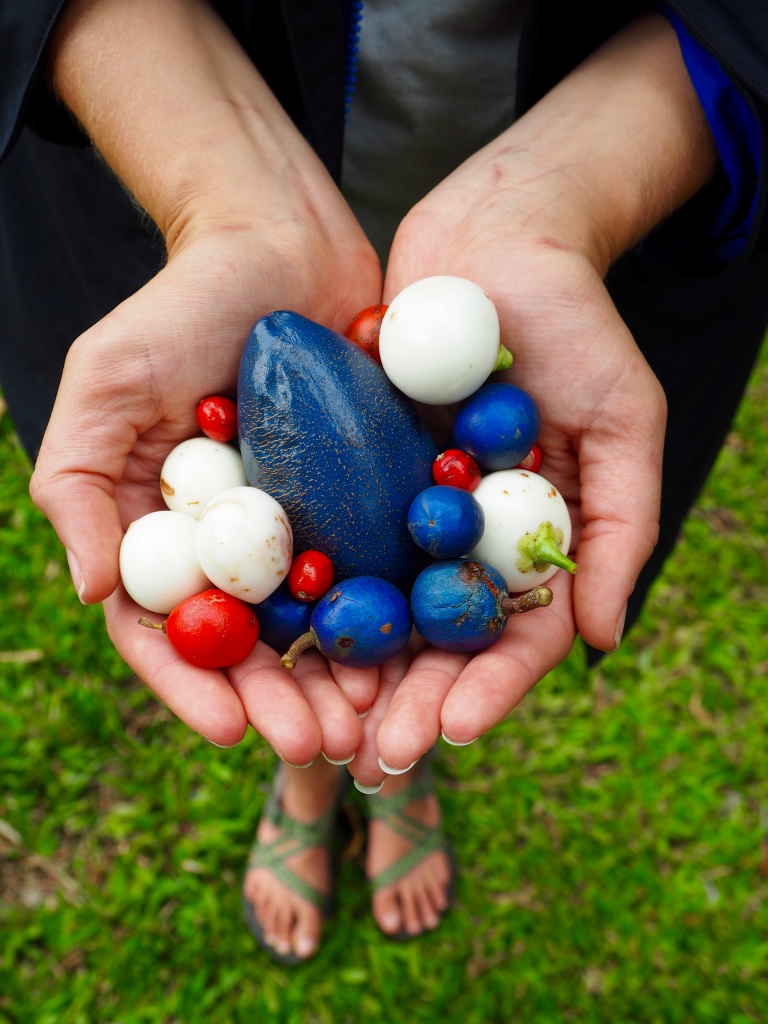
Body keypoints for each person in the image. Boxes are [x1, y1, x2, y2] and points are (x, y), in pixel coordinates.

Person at [1, 0, 767, 963]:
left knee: (412, 661)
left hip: (589, 171)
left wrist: (566, 196)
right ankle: (324, 774)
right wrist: (226, 195)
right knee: (323, 660)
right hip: (182, 147)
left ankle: (386, 769)